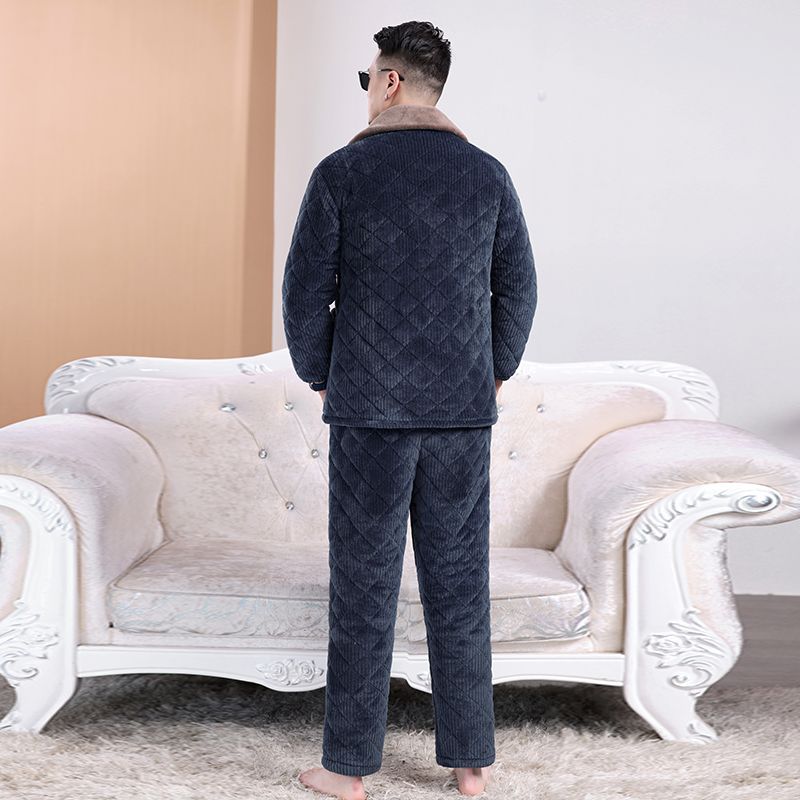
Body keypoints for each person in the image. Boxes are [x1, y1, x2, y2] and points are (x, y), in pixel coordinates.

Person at [282, 19, 537, 800]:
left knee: (363, 590)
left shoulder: (341, 173)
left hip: (370, 414)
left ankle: (347, 769)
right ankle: (470, 764)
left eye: (369, 79)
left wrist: (322, 373)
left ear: (390, 82)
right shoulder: (487, 175)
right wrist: (492, 370)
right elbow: (518, 288)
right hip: (460, 414)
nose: (368, 92)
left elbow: (304, 291)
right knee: (458, 585)